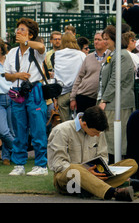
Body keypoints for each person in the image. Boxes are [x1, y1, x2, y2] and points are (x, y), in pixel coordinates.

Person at [47, 105, 138, 201]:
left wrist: (101, 171)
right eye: (95, 132)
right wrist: (86, 172)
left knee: (132, 164)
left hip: (94, 174)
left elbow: (103, 156)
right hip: (67, 178)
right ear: (84, 124)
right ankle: (113, 192)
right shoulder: (61, 131)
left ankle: (89, 188)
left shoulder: (98, 130)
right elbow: (58, 164)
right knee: (75, 168)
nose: (98, 135)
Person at [4, 18, 48, 176]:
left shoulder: (35, 49)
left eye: (22, 30)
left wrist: (27, 42)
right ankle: (19, 165)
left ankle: (41, 165)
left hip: (34, 90)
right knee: (19, 130)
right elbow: (7, 76)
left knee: (38, 129)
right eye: (18, 29)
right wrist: (17, 75)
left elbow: (42, 46)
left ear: (31, 34)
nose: (18, 32)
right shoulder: (12, 52)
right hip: (17, 92)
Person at [98, 25, 136, 162]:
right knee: (109, 136)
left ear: (115, 38)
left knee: (117, 137)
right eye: (103, 39)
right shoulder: (112, 54)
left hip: (119, 103)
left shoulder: (123, 55)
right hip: (111, 102)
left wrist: (104, 100)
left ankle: (120, 165)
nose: (104, 42)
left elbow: (116, 80)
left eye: (106, 39)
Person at [70, 31, 110, 114]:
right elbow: (79, 77)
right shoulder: (88, 57)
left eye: (99, 39)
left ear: (105, 41)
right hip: (83, 97)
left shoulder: (112, 56)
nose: (96, 42)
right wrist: (73, 98)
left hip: (101, 99)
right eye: (95, 39)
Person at [54, 32, 87, 121]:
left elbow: (56, 75)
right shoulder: (81, 55)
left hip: (62, 93)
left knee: (65, 123)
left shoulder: (57, 55)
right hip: (77, 92)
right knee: (79, 121)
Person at [0, 39, 14, 166]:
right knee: (3, 131)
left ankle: (6, 157)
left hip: (12, 95)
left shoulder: (10, 59)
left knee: (11, 130)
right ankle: (18, 150)